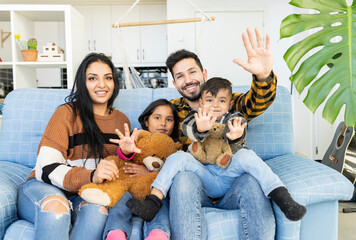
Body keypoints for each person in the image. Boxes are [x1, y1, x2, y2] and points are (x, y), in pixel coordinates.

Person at [132, 27, 278, 240]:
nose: (188, 79)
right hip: (194, 186)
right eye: (180, 76)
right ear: (174, 84)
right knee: (183, 179)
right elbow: (153, 140)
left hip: (231, 182)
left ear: (204, 74)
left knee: (252, 181)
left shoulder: (227, 101)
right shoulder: (172, 110)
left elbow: (257, 102)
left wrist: (263, 76)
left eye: (192, 72)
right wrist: (144, 164)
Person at [127, 77, 306, 223]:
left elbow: (237, 133)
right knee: (178, 157)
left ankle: (282, 197)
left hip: (229, 175)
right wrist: (202, 128)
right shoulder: (194, 117)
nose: (215, 105)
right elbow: (189, 132)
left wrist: (235, 136)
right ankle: (153, 202)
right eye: (210, 100)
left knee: (246, 154)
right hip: (204, 177)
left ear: (230, 104)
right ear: (201, 103)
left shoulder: (234, 116)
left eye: (222, 101)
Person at [17, 53, 129, 240]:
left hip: (84, 192)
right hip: (45, 186)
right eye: (93, 78)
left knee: (98, 212)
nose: (102, 84)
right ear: (82, 83)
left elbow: (119, 171)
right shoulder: (66, 114)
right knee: (57, 208)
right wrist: (91, 175)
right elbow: (46, 168)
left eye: (108, 78)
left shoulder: (121, 120)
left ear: (115, 82)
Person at [103, 99, 180, 240]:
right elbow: (123, 156)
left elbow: (175, 171)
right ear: (146, 121)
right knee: (119, 199)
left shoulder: (174, 147)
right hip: (130, 188)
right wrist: (126, 151)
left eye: (169, 119)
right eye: (157, 117)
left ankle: (158, 233)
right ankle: (116, 233)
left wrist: (151, 173)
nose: (163, 123)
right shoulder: (137, 137)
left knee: (162, 202)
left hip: (154, 195)